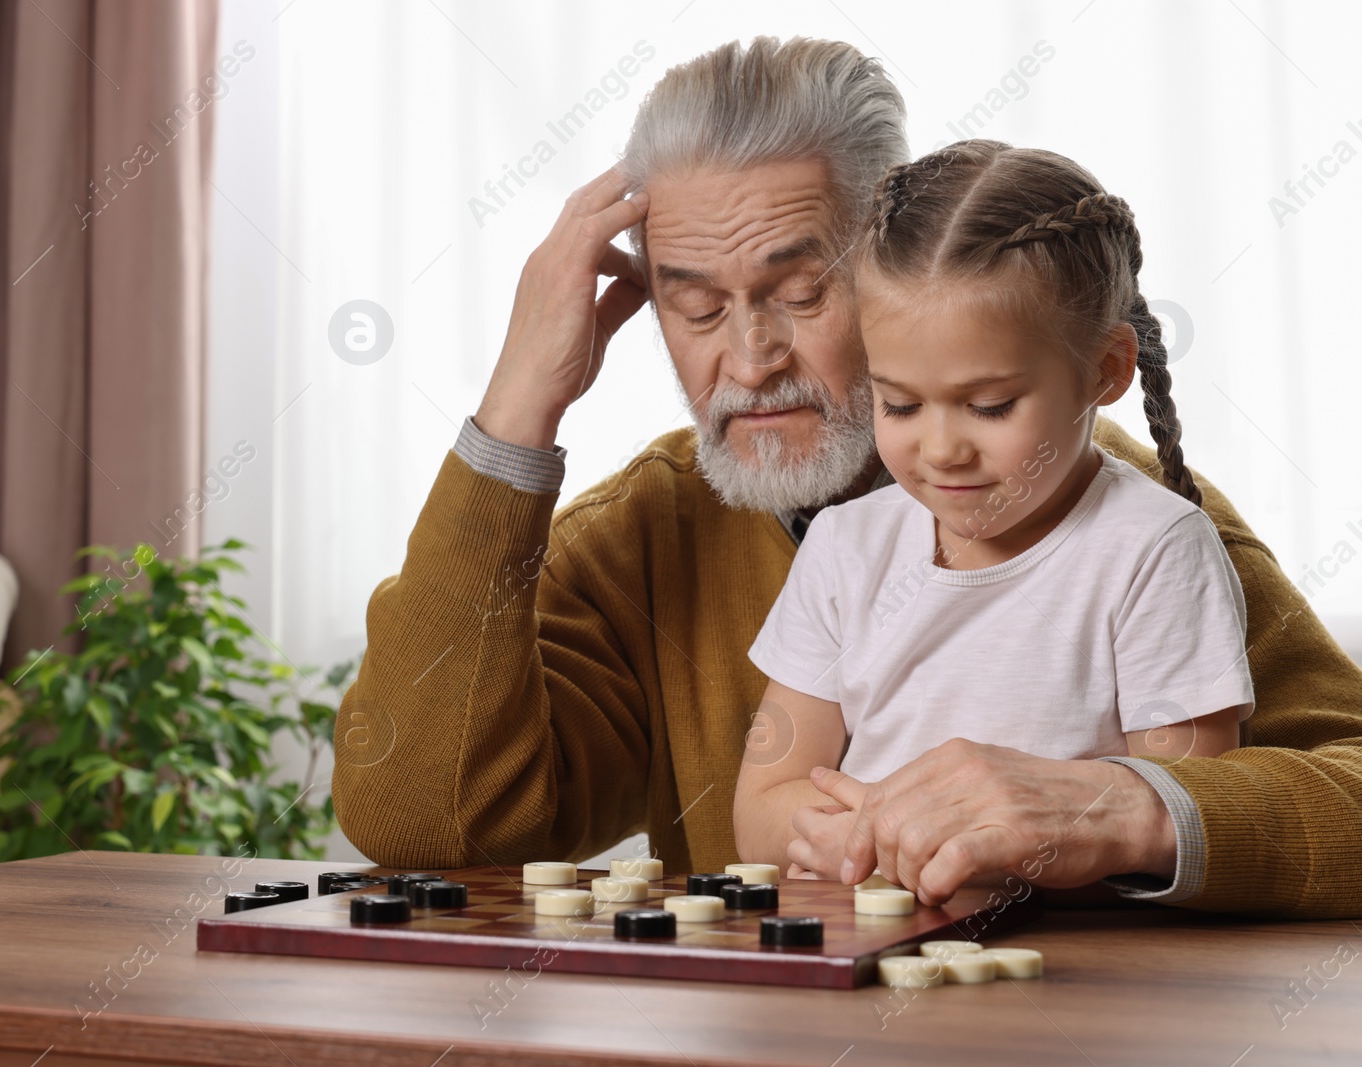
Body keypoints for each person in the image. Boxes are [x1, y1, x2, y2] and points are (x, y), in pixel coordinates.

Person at [330, 36, 1362, 918]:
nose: (747, 358)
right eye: (694, 308)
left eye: (800, 290)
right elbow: (421, 823)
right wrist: (519, 405)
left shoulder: (1127, 517)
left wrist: (1123, 808)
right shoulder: (641, 533)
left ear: (894, 268)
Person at [736, 142, 1254, 899]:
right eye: (901, 404)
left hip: (1082, 980)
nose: (941, 448)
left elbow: (1189, 809)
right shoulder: (846, 548)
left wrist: (999, 840)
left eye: (990, 407)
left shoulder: (1152, 551)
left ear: (1105, 371)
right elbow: (761, 809)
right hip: (874, 966)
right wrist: (876, 833)